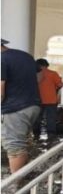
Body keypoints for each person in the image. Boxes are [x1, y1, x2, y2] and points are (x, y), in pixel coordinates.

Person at [1, 39, 41, 173]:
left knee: (14, 146)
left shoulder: (1, 59)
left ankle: (15, 182)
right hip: (33, 105)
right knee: (23, 142)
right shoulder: (25, 56)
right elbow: (39, 77)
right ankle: (24, 175)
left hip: (14, 108)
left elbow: (0, 89)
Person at [34, 58, 63, 140]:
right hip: (51, 100)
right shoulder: (53, 73)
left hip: (37, 100)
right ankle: (51, 135)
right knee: (51, 118)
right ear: (46, 65)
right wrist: (54, 89)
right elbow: (60, 85)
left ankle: (36, 135)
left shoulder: (33, 74)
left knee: (37, 118)